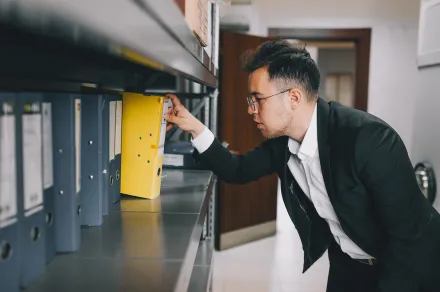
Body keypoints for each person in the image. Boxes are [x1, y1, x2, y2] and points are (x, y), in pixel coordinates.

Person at [164, 40, 440, 292]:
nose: (251, 110)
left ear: (293, 98)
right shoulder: (283, 142)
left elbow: (407, 241)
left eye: (257, 99)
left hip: (411, 269)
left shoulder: (370, 140)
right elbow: (238, 169)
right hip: (349, 266)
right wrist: (194, 127)